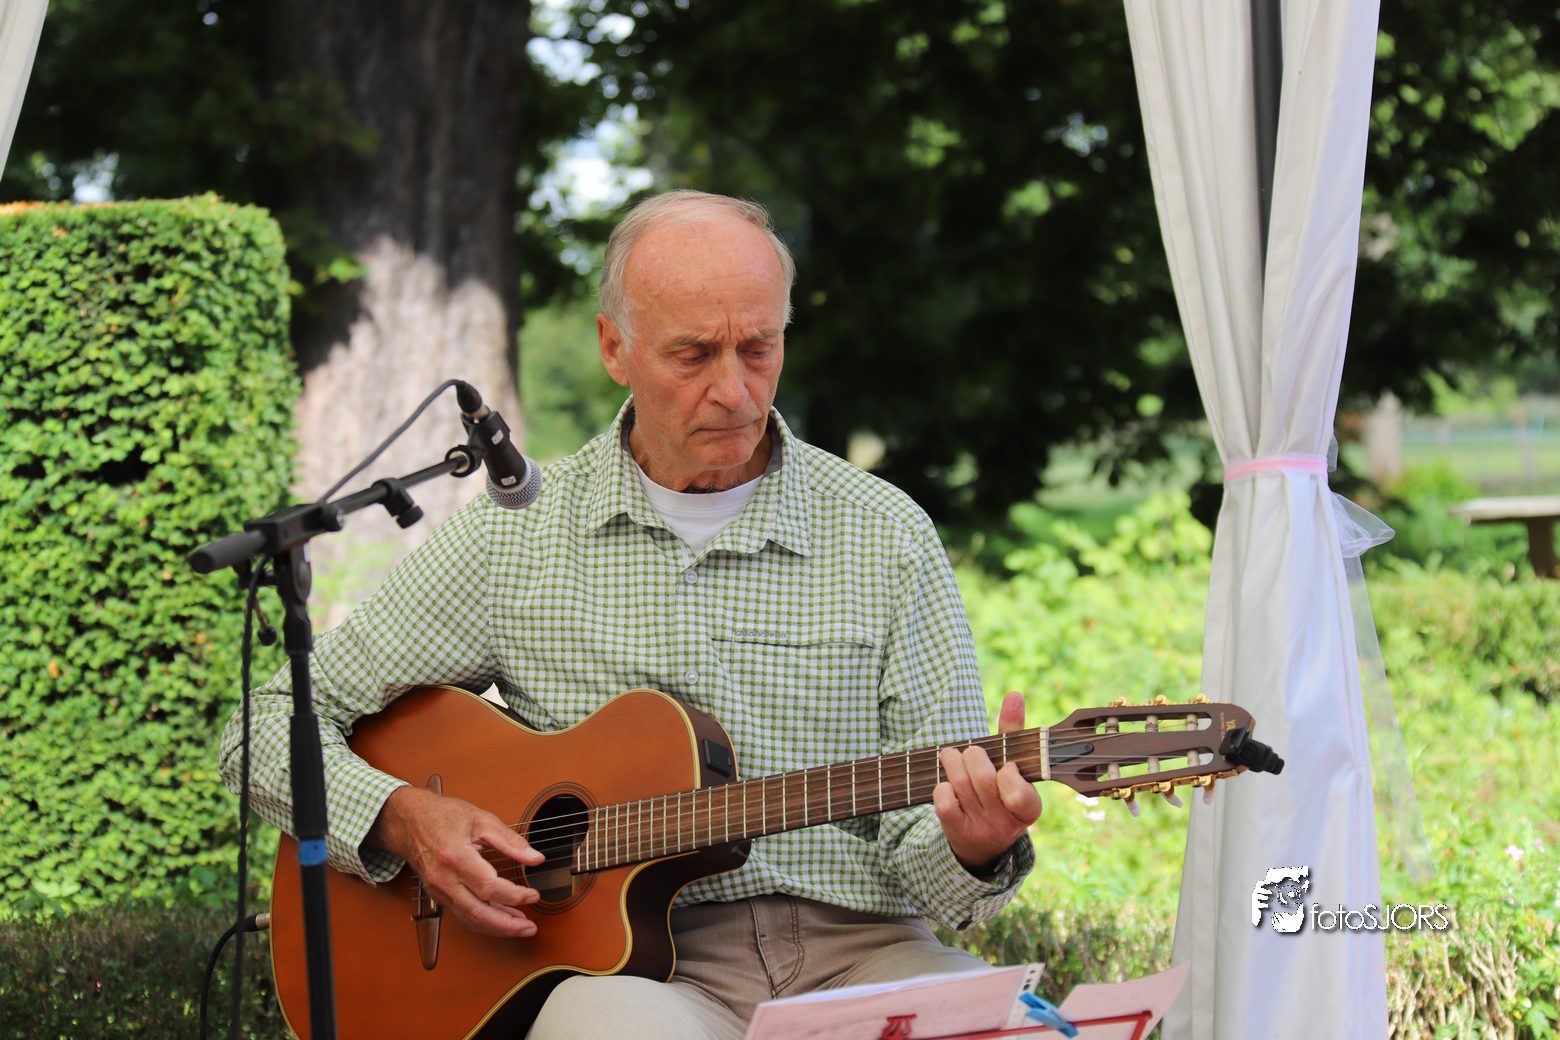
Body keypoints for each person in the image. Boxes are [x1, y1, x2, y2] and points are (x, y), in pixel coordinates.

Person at [221, 189, 1040, 1038]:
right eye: (694, 354)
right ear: (615, 346)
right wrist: (403, 818)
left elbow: (933, 868)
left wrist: (974, 844)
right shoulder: (515, 538)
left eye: (758, 347)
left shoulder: (885, 534)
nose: (734, 389)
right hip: (640, 976)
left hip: (866, 953)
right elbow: (262, 725)